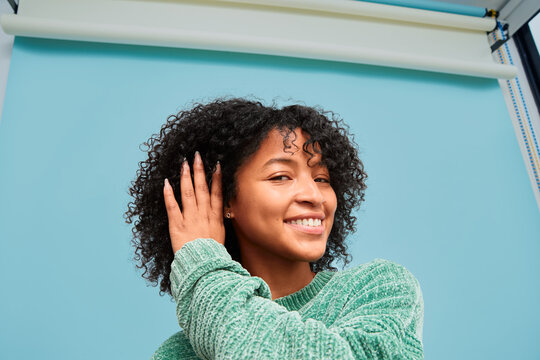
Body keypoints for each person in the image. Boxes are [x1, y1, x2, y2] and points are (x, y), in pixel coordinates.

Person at [125, 97, 424, 359]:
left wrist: (205, 269)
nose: (313, 195)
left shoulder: (381, 290)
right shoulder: (177, 355)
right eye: (280, 177)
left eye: (322, 179)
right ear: (226, 199)